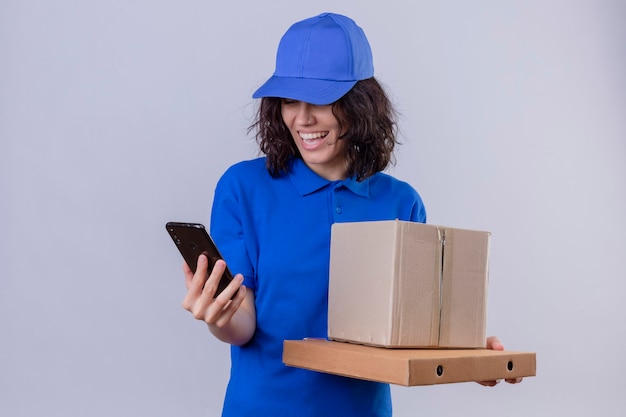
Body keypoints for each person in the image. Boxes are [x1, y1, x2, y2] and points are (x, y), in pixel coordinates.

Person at [181, 12, 520, 417]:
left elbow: (409, 331)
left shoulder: (401, 204)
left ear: (360, 104)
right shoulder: (242, 188)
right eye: (290, 100)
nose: (302, 119)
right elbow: (243, 325)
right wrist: (219, 317)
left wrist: (469, 356)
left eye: (322, 100)